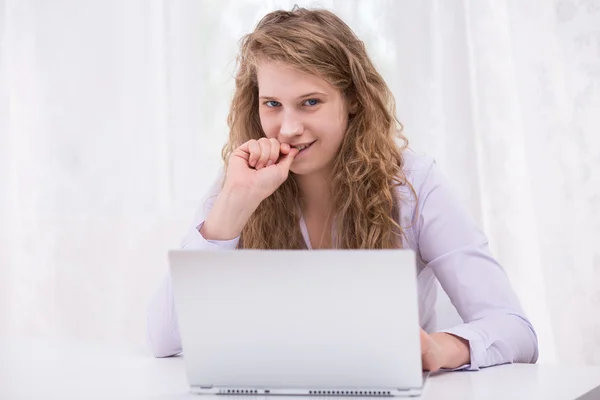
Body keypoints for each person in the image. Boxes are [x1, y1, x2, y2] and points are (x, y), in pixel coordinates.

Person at [146, 6, 538, 372]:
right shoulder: (242, 181)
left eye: (310, 102)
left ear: (351, 100)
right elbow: (164, 339)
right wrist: (233, 207)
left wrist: (440, 348)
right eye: (272, 104)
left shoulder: (413, 184)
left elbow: (515, 329)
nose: (288, 128)